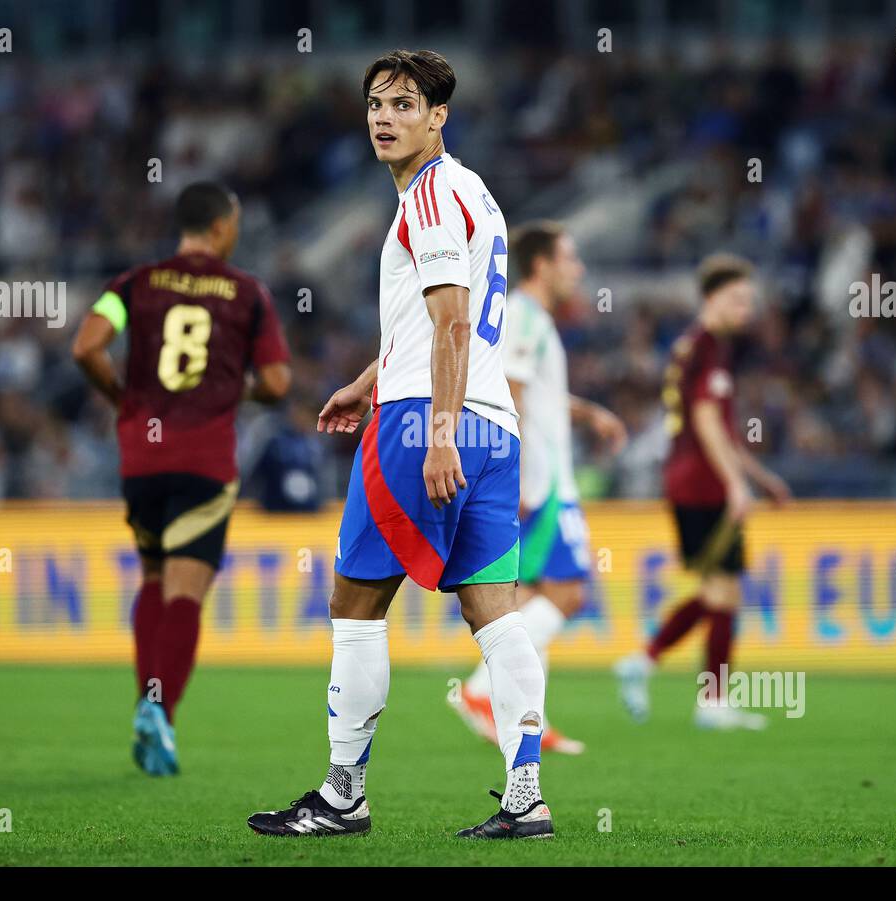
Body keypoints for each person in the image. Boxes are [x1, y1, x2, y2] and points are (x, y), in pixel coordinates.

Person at [247, 49, 552, 839]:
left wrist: (435, 431)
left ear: (438, 116)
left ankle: (343, 796)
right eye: (377, 103)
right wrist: (369, 377)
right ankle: (527, 797)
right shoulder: (475, 196)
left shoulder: (429, 197)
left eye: (406, 104)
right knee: (495, 611)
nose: (386, 117)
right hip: (493, 424)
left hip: (430, 423)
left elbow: (452, 322)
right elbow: (443, 322)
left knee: (356, 602)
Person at [71, 181, 291, 775]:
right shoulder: (247, 294)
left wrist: (123, 398)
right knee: (185, 593)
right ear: (222, 227)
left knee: (152, 578)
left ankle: (150, 707)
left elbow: (86, 347)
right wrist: (234, 390)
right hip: (203, 459)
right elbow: (276, 383)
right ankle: (160, 714)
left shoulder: (134, 283)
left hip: (141, 460)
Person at [452, 220, 626, 756]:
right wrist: (523, 473)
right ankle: (480, 692)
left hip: (532, 475)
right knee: (568, 594)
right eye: (569, 259)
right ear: (542, 265)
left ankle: (529, 718)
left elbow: (535, 391)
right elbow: (512, 389)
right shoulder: (525, 314)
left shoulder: (525, 316)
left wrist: (586, 412)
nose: (578, 270)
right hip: (542, 481)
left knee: (525, 599)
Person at [615, 254, 789, 729]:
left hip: (690, 479)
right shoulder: (708, 346)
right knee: (725, 590)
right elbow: (708, 421)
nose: (746, 309)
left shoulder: (693, 347)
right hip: (703, 483)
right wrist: (736, 484)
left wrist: (759, 476)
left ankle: (648, 662)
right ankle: (708, 700)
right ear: (711, 298)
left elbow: (722, 430)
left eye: (750, 301)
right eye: (737, 299)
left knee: (719, 591)